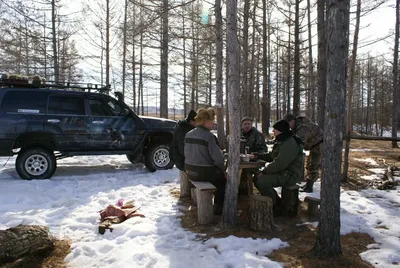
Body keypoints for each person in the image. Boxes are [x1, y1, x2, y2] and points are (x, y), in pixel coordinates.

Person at [254, 119, 304, 214]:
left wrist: (264, 172)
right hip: (283, 172)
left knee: (261, 181)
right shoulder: (282, 139)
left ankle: (275, 206)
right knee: (256, 177)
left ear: (280, 130)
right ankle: (277, 201)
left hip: (290, 174)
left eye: (275, 129)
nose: (273, 131)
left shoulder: (290, 143)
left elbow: (280, 163)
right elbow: (272, 156)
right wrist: (258, 155)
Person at [184, 108, 226, 215]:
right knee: (223, 181)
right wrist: (224, 171)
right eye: (212, 121)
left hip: (189, 172)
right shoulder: (209, 136)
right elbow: (218, 159)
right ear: (205, 122)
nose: (213, 123)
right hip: (203, 173)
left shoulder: (188, 134)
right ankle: (218, 208)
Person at [283, 114, 323, 193]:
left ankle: (309, 186)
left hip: (319, 145)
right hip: (314, 145)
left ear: (292, 121)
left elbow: (299, 142)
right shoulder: (297, 126)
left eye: (287, 123)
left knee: (312, 166)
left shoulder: (303, 127)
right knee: (310, 165)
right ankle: (308, 184)